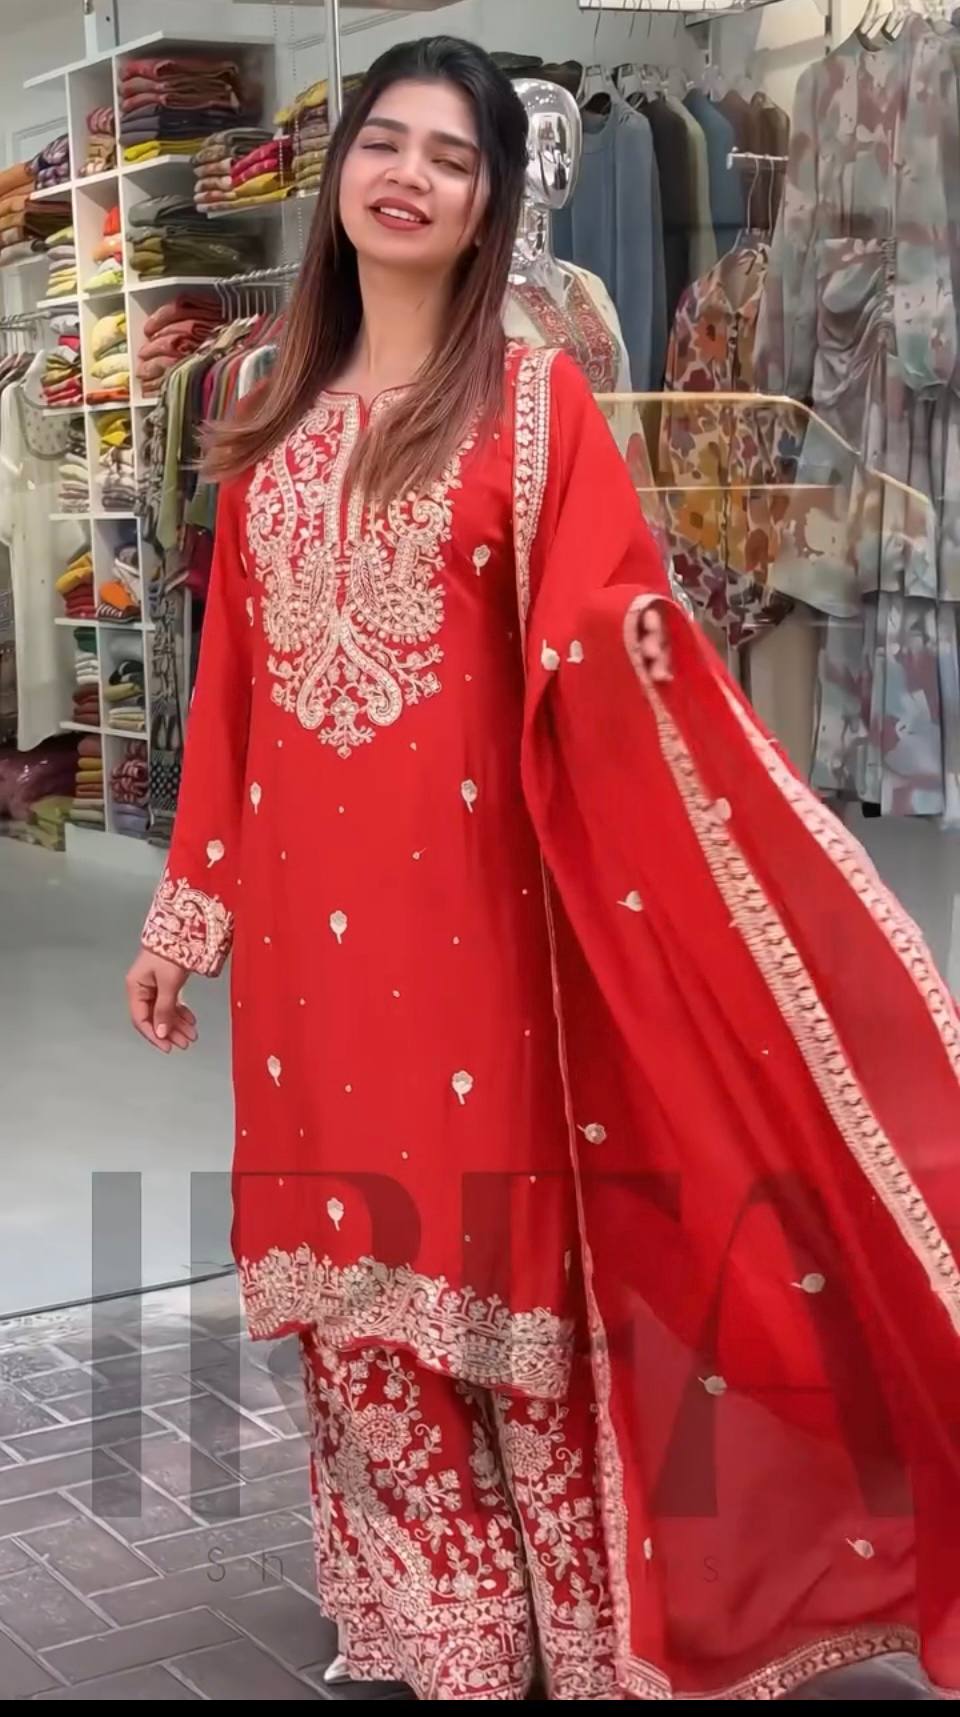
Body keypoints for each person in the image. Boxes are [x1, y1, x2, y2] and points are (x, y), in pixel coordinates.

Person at [127, 34, 960, 1704]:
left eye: (453, 157)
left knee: (492, 1258)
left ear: (491, 202)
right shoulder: (262, 407)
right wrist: (187, 904)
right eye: (387, 142)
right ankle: (427, 1618)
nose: (411, 176)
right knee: (346, 1260)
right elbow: (236, 688)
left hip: (481, 935)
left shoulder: (535, 406)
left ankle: (566, 1625)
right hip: (306, 948)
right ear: (340, 174)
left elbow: (610, 634)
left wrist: (657, 684)